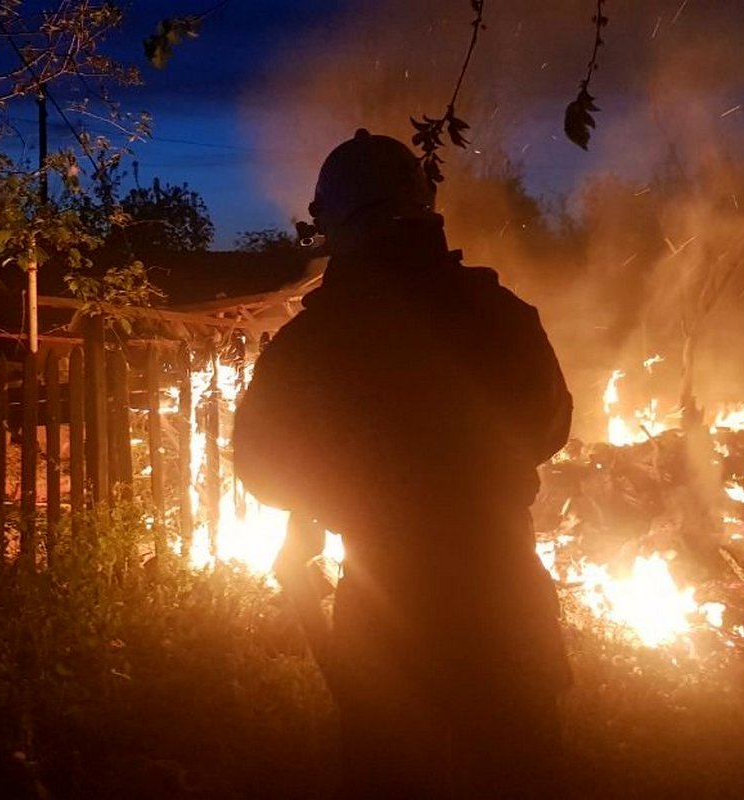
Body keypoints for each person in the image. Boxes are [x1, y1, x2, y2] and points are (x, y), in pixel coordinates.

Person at [233, 129, 573, 798]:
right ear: (423, 209)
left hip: (387, 616)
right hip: (506, 600)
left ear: (336, 222)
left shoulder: (313, 345)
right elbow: (549, 427)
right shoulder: (502, 316)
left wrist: (344, 493)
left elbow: (262, 466)